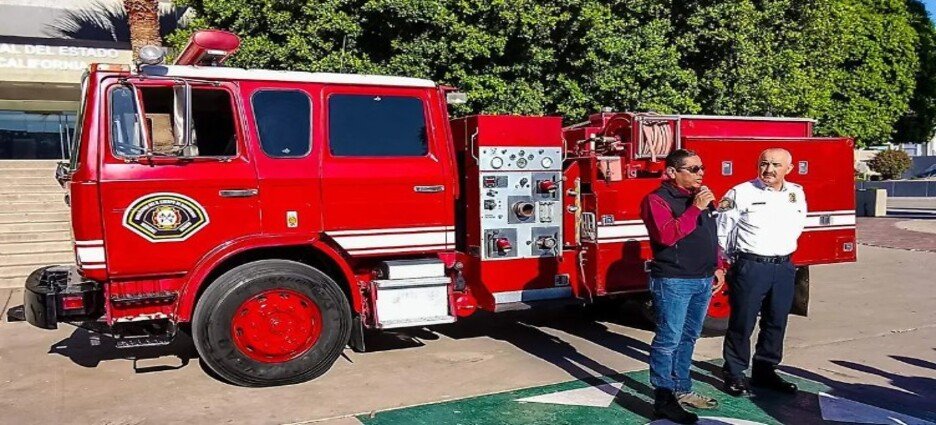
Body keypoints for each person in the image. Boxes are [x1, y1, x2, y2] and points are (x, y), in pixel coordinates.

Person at [640, 149, 724, 424]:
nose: (701, 173)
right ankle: (663, 399)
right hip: (674, 280)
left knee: (689, 336)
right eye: (694, 169)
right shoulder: (657, 200)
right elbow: (666, 235)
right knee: (668, 339)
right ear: (673, 172)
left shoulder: (699, 199)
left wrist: (718, 265)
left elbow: (712, 234)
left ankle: (682, 388)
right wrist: (696, 209)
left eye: (702, 168)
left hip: (702, 278)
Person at [716, 148, 807, 397]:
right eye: (764, 164)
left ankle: (765, 370)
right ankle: (734, 372)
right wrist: (722, 264)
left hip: (784, 266)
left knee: (776, 321)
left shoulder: (796, 193)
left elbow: (798, 226)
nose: (768, 169)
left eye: (776, 165)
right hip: (751, 266)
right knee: (742, 322)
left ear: (789, 168)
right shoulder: (741, 193)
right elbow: (721, 230)